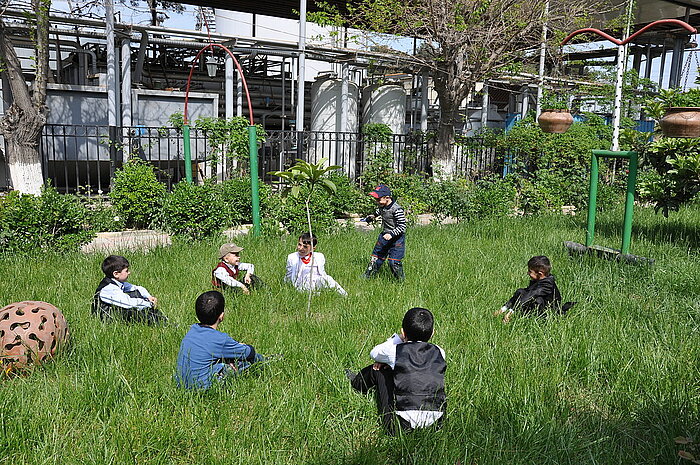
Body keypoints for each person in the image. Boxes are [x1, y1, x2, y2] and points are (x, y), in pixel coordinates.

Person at [346, 307, 446, 436]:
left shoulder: (395, 350)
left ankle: (357, 383)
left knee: (378, 369)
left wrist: (397, 339)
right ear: (432, 333)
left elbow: (374, 353)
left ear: (403, 332)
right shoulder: (439, 351)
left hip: (399, 427)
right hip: (437, 424)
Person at [176, 290, 265, 390]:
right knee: (242, 362)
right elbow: (249, 353)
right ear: (221, 316)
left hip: (181, 383)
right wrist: (243, 346)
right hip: (202, 387)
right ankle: (266, 363)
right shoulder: (220, 340)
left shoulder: (191, 331)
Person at [495, 255, 576, 323]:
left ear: (540, 274)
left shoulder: (547, 285)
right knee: (521, 291)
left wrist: (511, 312)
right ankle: (503, 310)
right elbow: (524, 293)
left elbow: (530, 296)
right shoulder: (539, 279)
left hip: (548, 311)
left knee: (537, 300)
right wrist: (504, 309)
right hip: (539, 305)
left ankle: (535, 319)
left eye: (530, 271)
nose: (528, 273)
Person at [92, 255, 167, 324]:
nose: (129, 273)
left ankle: (162, 321)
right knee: (134, 309)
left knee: (136, 294)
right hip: (108, 319)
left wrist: (148, 297)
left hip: (116, 313)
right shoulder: (108, 289)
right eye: (126, 271)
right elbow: (128, 303)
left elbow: (138, 288)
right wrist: (149, 304)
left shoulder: (117, 282)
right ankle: (162, 324)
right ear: (116, 274)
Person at [362, 184, 407, 281]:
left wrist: (391, 234)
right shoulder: (382, 206)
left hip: (397, 238)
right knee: (376, 257)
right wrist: (371, 217)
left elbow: (402, 226)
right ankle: (368, 276)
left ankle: (400, 281)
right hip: (384, 236)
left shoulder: (396, 209)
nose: (377, 201)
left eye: (379, 199)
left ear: (387, 197)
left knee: (394, 262)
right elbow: (379, 212)